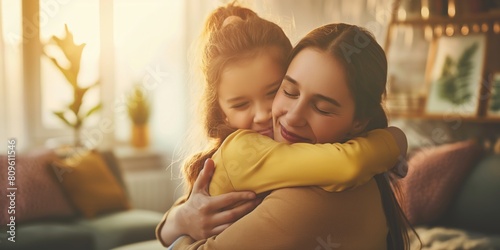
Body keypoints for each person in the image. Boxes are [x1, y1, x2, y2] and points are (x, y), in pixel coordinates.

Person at [156, 4, 410, 249]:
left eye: (322, 108)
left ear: (359, 122)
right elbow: (180, 212)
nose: (290, 117)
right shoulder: (244, 148)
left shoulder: (311, 200)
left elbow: (348, 163)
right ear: (220, 112)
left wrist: (178, 227)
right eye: (288, 91)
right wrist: (181, 219)